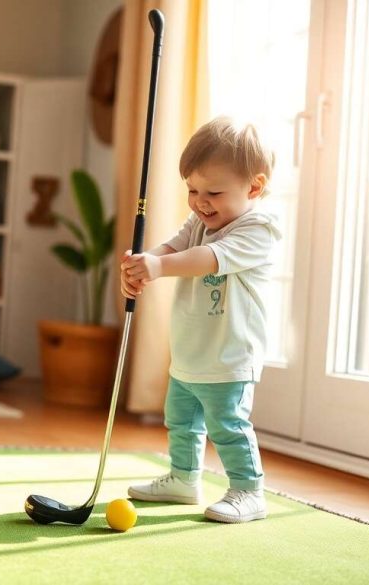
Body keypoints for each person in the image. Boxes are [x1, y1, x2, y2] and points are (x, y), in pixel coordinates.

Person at [120, 117, 281, 523]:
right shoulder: (200, 220)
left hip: (229, 357)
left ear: (254, 188)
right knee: (181, 420)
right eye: (192, 190)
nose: (200, 201)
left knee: (227, 425)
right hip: (191, 352)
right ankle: (183, 478)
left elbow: (205, 259)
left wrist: (159, 267)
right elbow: (174, 246)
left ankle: (248, 490)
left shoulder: (258, 229)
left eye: (213, 192)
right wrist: (144, 263)